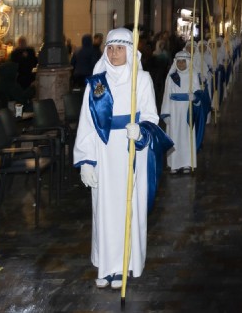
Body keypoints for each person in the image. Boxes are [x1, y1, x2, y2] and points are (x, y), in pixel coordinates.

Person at [73, 28, 172, 290]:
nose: (114, 53)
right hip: (104, 154)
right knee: (104, 209)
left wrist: (141, 130)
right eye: (110, 48)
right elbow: (87, 123)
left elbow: (151, 116)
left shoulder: (142, 80)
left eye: (120, 48)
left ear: (130, 50)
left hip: (130, 154)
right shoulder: (97, 83)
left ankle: (125, 264)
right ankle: (106, 267)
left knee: (127, 208)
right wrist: (86, 160)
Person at [161, 51, 208, 174]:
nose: (181, 64)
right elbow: (166, 95)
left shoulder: (193, 75)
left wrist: (195, 97)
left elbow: (198, 94)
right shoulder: (171, 77)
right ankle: (174, 164)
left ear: (188, 62)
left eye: (183, 61)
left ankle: (187, 162)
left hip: (188, 111)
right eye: (179, 61)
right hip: (174, 111)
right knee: (174, 136)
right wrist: (166, 113)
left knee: (187, 137)